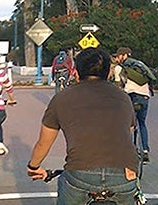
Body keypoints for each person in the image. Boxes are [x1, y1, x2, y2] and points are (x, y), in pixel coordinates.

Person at [26, 48, 139, 204]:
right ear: (108, 74)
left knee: (67, 183)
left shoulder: (62, 98)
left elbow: (43, 142)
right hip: (124, 176)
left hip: (80, 175)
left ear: (76, 73)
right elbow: (129, 132)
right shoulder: (123, 98)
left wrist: (33, 167)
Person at [114, 47, 156, 163]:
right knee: (142, 123)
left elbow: (118, 87)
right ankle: (145, 150)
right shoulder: (140, 65)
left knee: (127, 123)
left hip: (130, 97)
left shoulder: (119, 68)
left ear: (123, 56)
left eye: (117, 56)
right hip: (144, 97)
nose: (116, 59)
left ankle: (126, 150)